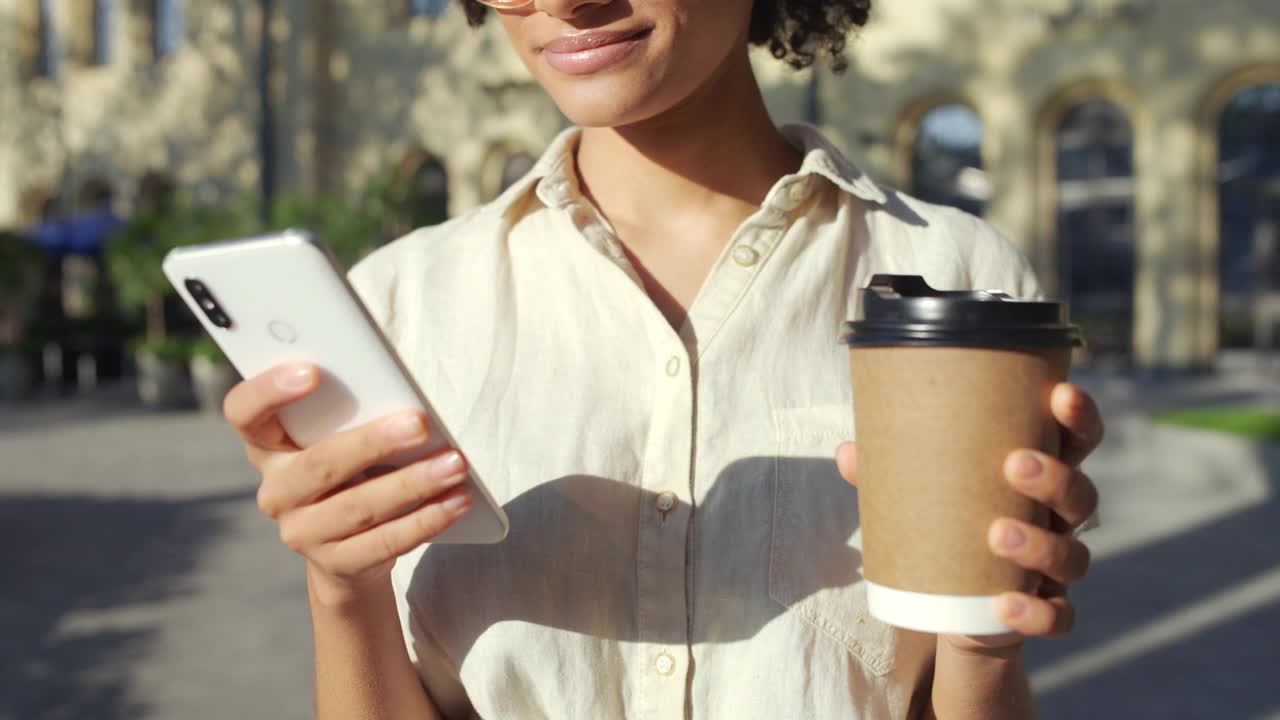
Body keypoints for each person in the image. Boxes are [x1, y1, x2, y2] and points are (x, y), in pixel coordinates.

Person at [222, 0, 1103, 717]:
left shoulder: (962, 279)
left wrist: (983, 645)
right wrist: (342, 587)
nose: (566, 3)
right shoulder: (400, 304)